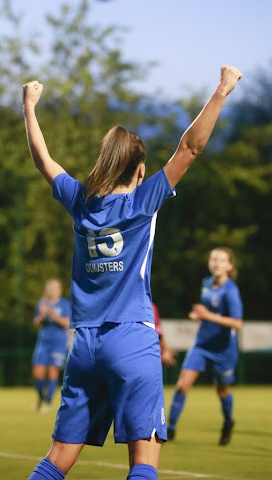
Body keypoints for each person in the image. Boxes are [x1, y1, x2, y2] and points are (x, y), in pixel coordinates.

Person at [23, 64, 242, 480]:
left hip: (83, 346)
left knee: (56, 461)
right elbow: (190, 149)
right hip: (132, 339)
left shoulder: (80, 201)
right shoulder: (144, 202)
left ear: (105, 163)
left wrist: (29, 107)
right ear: (140, 171)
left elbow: (43, 161)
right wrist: (222, 90)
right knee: (144, 462)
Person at [166, 247, 243, 446]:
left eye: (221, 260)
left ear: (229, 266)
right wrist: (198, 315)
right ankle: (170, 429)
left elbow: (237, 323)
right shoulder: (206, 283)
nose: (216, 263)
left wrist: (207, 315)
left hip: (224, 350)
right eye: (213, 259)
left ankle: (228, 423)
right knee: (182, 385)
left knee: (222, 390)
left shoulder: (231, 291)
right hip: (201, 344)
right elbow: (207, 311)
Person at [31, 278, 72, 414]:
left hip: (58, 343)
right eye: (51, 287)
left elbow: (67, 323)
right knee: (37, 373)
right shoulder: (42, 303)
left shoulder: (64, 304)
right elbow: (36, 324)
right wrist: (42, 315)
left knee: (53, 372)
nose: (53, 289)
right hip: (43, 342)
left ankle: (48, 402)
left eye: (56, 287)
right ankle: (40, 397)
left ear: (60, 289)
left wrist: (52, 314)